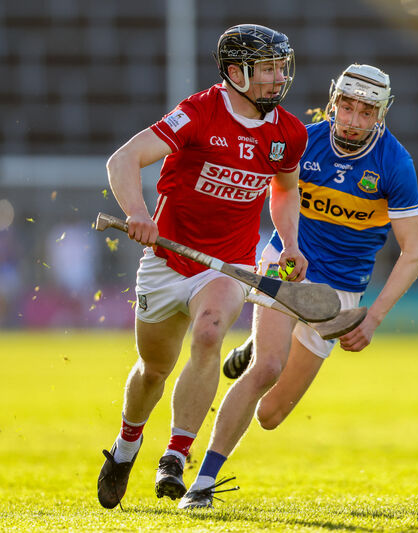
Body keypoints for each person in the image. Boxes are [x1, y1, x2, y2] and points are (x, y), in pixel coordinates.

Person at [179, 64, 418, 509]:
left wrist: (372, 317)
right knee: (267, 368)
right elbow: (273, 194)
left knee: (270, 416)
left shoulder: (395, 163)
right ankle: (202, 483)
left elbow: (414, 252)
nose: (353, 120)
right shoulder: (303, 140)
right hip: (288, 264)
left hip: (340, 292)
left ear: (381, 114)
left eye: (365, 112)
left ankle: (254, 343)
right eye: (346, 108)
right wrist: (287, 244)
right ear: (334, 102)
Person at [96, 24, 308, 510]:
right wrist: (136, 214)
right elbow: (123, 160)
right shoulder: (199, 112)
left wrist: (290, 242)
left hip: (228, 263)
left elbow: (285, 189)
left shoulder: (288, 133)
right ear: (236, 73)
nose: (279, 78)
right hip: (168, 260)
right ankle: (127, 447)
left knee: (211, 333)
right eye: (268, 69)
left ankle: (176, 454)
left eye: (281, 67)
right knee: (154, 368)